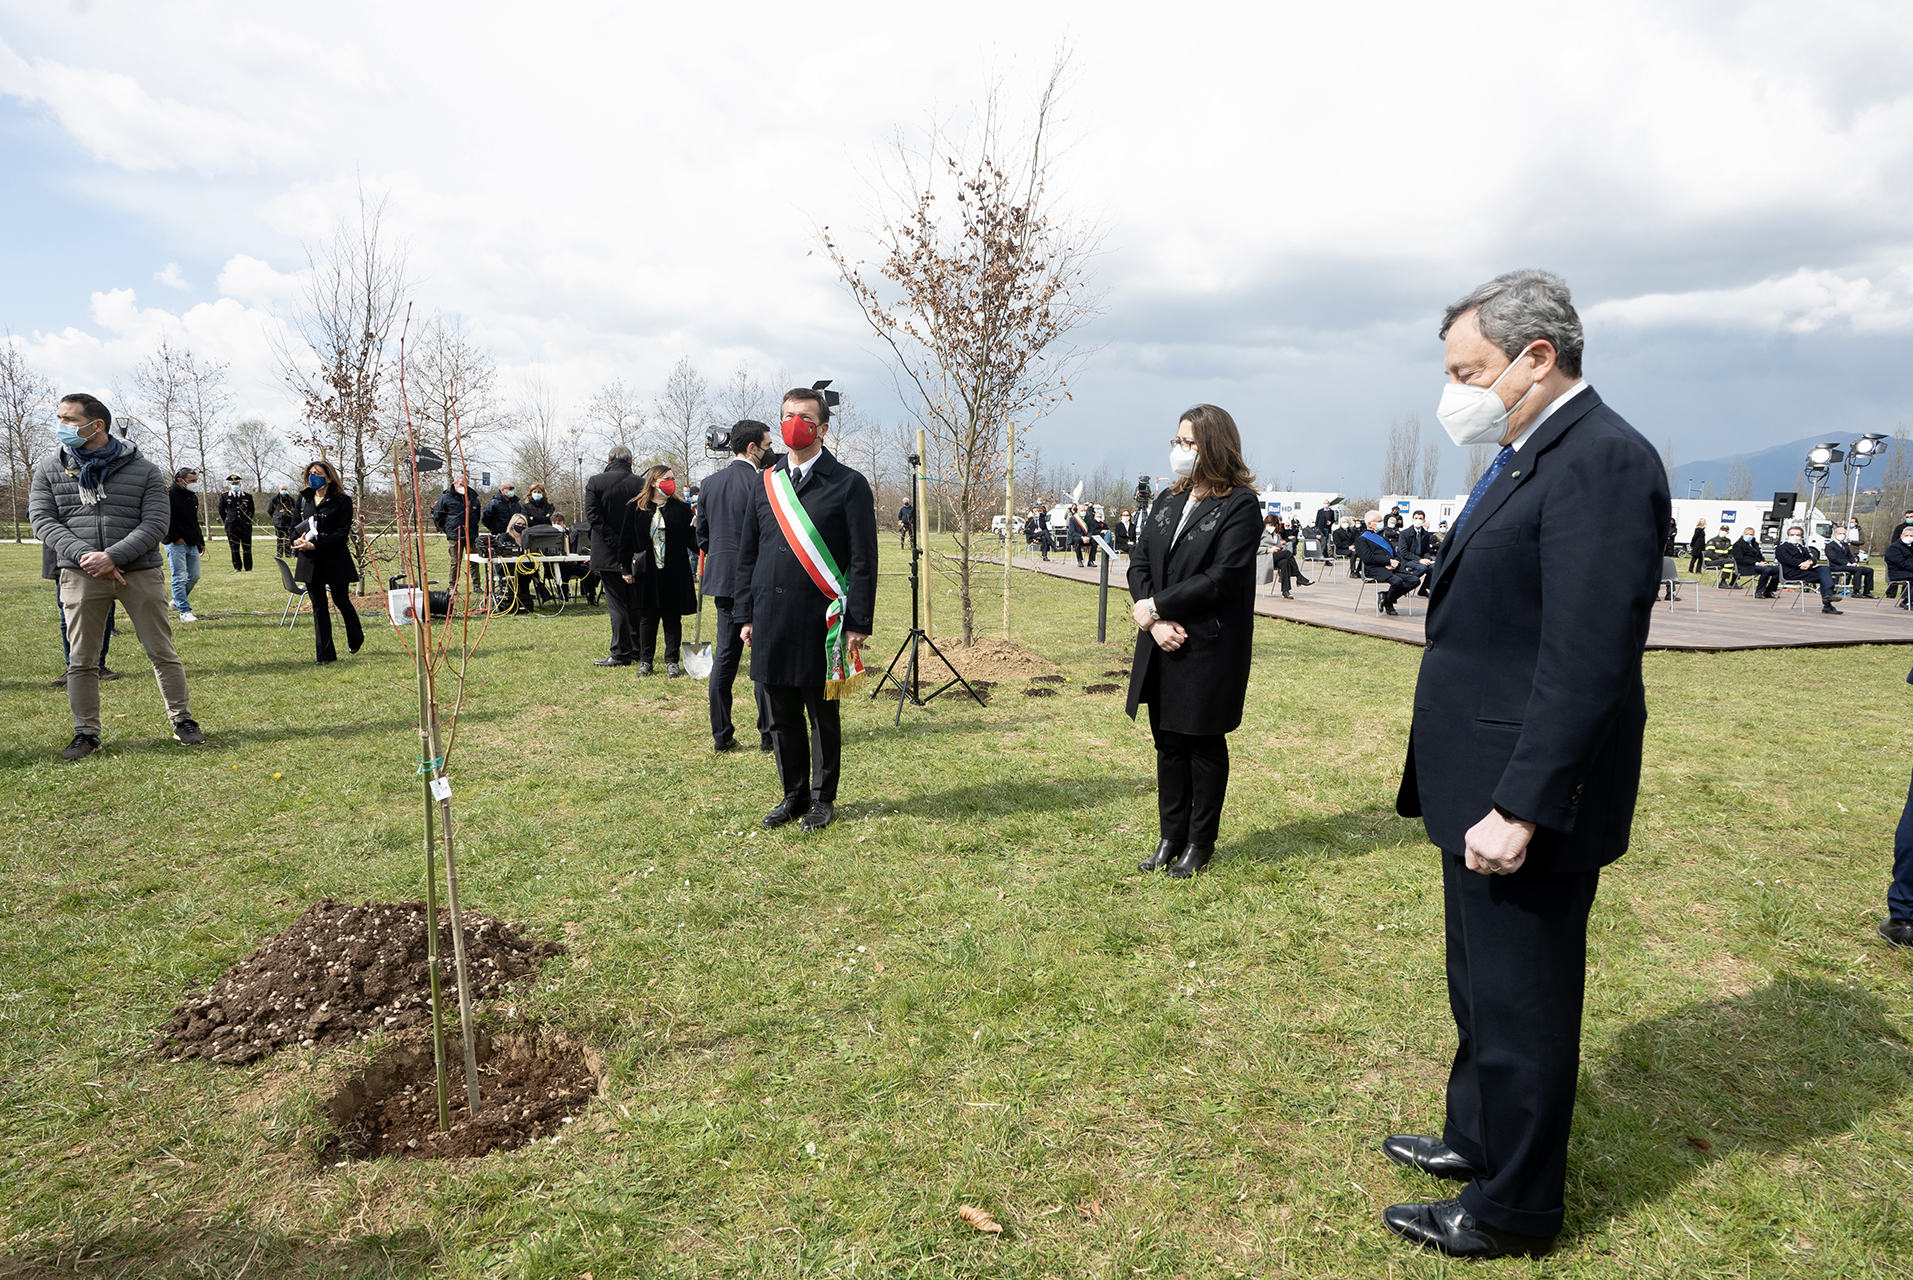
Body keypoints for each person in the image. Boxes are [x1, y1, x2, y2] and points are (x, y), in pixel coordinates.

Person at [1386, 269, 1668, 1261]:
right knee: (1479, 983)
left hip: (1524, 798)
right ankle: (1476, 1134)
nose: (1454, 392)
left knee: (1524, 1001)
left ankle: (1514, 1205)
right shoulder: (1523, 452)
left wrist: (1519, 803)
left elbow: (1586, 657)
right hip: (1478, 779)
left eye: (1468, 370)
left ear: (1533, 357)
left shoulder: (1598, 460)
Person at [1126, 405, 1262, 880]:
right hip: (1162, 639)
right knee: (1167, 742)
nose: (1178, 450)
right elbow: (1139, 563)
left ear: (1213, 445)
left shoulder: (1241, 505)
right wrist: (1152, 620)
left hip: (1206, 644)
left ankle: (1199, 843)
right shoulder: (1167, 499)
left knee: (1201, 743)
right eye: (1177, 440)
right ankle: (1170, 836)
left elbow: (1222, 577)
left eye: (1188, 442)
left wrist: (1159, 607)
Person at [735, 385, 879, 832]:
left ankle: (822, 798)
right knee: (779, 716)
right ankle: (792, 795)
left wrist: (857, 621)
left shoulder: (848, 483)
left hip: (821, 620)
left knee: (820, 715)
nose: (795, 423)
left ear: (823, 427)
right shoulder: (766, 482)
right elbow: (747, 553)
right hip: (770, 618)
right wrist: (744, 614)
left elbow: (863, 558)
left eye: (804, 417)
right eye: (787, 415)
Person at [30, 393, 203, 758]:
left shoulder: (144, 469)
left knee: (161, 650)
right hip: (80, 573)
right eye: (59, 418)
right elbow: (42, 520)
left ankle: (182, 720)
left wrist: (112, 556)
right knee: (82, 658)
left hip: (138, 571)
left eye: (70, 420)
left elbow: (156, 522)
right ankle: (86, 733)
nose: (62, 427)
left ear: (97, 425)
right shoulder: (49, 468)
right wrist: (85, 556)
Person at [697, 420, 776, 752]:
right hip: (756, 580)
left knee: (726, 658)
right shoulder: (763, 483)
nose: (772, 451)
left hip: (722, 580)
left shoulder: (709, 483)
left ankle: (722, 735)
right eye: (768, 445)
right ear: (753, 448)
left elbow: (701, 534)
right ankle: (769, 735)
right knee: (762, 659)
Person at [620, 464, 697, 676]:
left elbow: (690, 538)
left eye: (673, 478)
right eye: (667, 478)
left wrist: (704, 540)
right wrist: (626, 568)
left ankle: (672, 661)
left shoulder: (680, 508)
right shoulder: (635, 508)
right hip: (646, 571)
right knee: (647, 618)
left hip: (674, 570)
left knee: (672, 617)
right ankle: (646, 661)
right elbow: (626, 539)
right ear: (654, 481)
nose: (671, 482)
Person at [289, 460, 365, 663]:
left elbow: (341, 533)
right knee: (318, 606)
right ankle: (325, 655)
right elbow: (294, 526)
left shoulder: (343, 501)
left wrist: (316, 545)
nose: (313, 476)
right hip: (310, 562)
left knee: (341, 601)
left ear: (329, 477)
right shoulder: (303, 498)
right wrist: (297, 540)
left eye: (318, 473)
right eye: (310, 473)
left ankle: (356, 637)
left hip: (334, 559)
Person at [585, 447, 644, 666]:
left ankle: (620, 652)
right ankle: (637, 648)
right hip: (636, 552)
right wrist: (627, 545)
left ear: (608, 460)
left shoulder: (596, 482)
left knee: (617, 604)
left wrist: (616, 544)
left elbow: (594, 517)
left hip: (607, 552)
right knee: (635, 603)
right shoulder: (640, 483)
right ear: (631, 460)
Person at [1355, 510, 1419, 615]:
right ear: (1369, 524)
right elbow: (1368, 558)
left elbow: (1396, 554)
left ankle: (1386, 597)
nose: (1381, 523)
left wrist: (1396, 562)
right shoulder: (1361, 540)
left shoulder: (1384, 539)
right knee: (1397, 581)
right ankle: (1389, 603)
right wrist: (1388, 561)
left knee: (1414, 580)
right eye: (1379, 521)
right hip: (1376, 568)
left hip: (1393, 567)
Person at [164, 466, 204, 621]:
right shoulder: (169, 495)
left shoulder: (192, 496)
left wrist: (200, 541)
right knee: (179, 577)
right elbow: (164, 519)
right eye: (192, 481)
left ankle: (177, 600)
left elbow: (193, 521)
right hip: (176, 544)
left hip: (192, 543)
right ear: (180, 480)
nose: (195, 483)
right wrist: (174, 537)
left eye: (196, 480)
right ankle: (184, 611)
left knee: (194, 576)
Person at [432, 475, 483, 591]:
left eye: (465, 485)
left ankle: (476, 585)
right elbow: (438, 515)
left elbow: (477, 515)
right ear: (454, 484)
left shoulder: (473, 498)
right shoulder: (446, 498)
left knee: (474, 560)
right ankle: (452, 587)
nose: (463, 487)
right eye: (460, 484)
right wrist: (446, 529)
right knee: (456, 562)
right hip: (455, 535)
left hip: (471, 534)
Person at [1776, 525, 1842, 614]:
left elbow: (1813, 559)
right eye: (1792, 535)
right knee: (1825, 578)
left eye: (1798, 535)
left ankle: (1828, 599)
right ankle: (1828, 603)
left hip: (1805, 571)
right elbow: (1788, 560)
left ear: (1801, 536)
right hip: (1792, 573)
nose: (1795, 537)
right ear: (1788, 535)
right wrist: (1806, 564)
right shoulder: (1782, 548)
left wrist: (1809, 562)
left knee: (1824, 569)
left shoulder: (1803, 548)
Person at [1262, 513, 1313, 598]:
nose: (1272, 527)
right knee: (1287, 553)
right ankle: (1299, 576)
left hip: (1274, 557)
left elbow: (1278, 545)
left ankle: (1286, 590)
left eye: (1274, 525)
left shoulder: (1276, 535)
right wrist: (1268, 550)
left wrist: (1278, 548)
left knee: (1284, 562)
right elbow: (1255, 549)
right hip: (1264, 556)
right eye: (1270, 524)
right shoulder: (1260, 533)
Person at [218, 475, 255, 571]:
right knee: (234, 548)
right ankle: (237, 567)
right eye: (233, 484)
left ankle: (248, 567)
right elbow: (221, 510)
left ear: (240, 484)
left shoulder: (247, 496)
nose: (235, 485)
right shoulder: (225, 496)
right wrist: (227, 520)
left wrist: (247, 520)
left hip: (245, 526)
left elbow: (252, 510)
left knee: (247, 547)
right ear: (229, 485)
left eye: (237, 483)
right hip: (231, 526)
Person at [1825, 526, 1875, 598]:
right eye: (1840, 533)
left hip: (1848, 566)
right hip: (1836, 566)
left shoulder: (1845, 545)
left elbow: (1850, 556)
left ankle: (1867, 591)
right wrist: (1847, 564)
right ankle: (1856, 591)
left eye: (1844, 533)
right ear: (1835, 534)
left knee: (1869, 570)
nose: (1842, 535)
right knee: (1858, 570)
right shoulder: (1830, 546)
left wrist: (1854, 562)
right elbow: (1834, 558)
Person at [1731, 527, 1780, 597]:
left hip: (1758, 565)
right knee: (1767, 570)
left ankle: (1769, 590)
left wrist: (1764, 561)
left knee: (1777, 569)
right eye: (1747, 534)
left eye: (1751, 534)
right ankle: (1759, 591)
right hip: (1746, 566)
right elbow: (1740, 559)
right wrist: (1757, 563)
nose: (1749, 536)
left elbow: (1759, 555)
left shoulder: (1755, 543)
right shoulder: (1738, 545)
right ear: (1743, 534)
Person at [268, 483, 299, 557]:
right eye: (282, 489)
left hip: (288, 522)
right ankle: (279, 553)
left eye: (285, 489)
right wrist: (276, 516)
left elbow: (294, 510)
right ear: (279, 490)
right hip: (278, 522)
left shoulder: (291, 500)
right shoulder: (274, 499)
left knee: (288, 538)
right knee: (280, 539)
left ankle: (288, 553)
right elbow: (270, 510)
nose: (284, 491)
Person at [1887, 525, 1913, 608]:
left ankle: (1907, 600)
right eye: (1906, 535)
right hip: (1897, 572)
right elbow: (1901, 563)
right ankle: (1908, 601)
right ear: (1901, 536)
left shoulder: (1910, 546)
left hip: (1908, 571)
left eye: (1911, 536)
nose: (1909, 537)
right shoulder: (1894, 547)